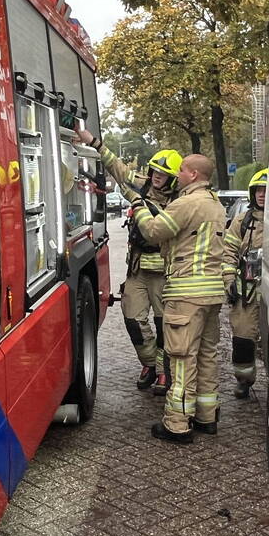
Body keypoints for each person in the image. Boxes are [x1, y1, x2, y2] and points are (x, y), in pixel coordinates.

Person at [76, 128, 182, 395]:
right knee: (133, 319)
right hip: (137, 270)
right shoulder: (140, 184)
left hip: (163, 272)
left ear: (172, 179)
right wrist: (93, 142)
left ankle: (161, 372)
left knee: (162, 323)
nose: (156, 178)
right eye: (155, 172)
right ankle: (148, 363)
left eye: (163, 175)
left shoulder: (180, 201)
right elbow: (117, 167)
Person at [133, 154, 228, 443]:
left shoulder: (186, 203)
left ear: (195, 174)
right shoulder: (215, 204)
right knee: (207, 354)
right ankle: (206, 417)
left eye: (183, 169)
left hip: (186, 293)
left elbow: (152, 232)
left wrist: (139, 208)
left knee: (182, 357)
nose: (179, 172)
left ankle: (176, 423)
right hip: (212, 294)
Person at [223, 168, 268, 399]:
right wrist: (229, 280)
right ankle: (244, 380)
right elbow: (228, 252)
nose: (261, 195)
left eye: (266, 191)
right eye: (258, 191)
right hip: (247, 293)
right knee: (242, 339)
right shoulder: (242, 221)